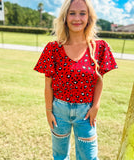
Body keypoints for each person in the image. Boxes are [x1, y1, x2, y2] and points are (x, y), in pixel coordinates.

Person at [34, 0, 118, 159]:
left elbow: (99, 80)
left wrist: (96, 106)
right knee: (59, 156)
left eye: (82, 13)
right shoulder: (53, 48)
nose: (77, 18)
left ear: (89, 17)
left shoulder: (99, 47)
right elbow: (48, 86)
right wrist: (48, 112)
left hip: (86, 112)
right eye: (72, 13)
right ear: (65, 17)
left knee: (89, 157)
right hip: (59, 110)